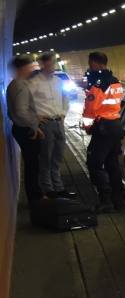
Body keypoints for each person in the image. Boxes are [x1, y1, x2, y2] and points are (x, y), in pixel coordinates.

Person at [82, 51, 125, 213]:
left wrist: (87, 126)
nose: (89, 66)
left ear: (97, 64)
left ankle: (105, 199)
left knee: (94, 163)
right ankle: (118, 198)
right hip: (115, 125)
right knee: (112, 163)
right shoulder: (116, 82)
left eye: (91, 63)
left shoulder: (99, 84)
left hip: (103, 127)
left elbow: (90, 109)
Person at [29, 51, 72, 198]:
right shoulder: (34, 83)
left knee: (58, 157)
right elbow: (27, 103)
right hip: (45, 124)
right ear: (42, 65)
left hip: (59, 122)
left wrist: (64, 113)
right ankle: (48, 189)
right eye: (50, 63)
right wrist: (35, 117)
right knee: (46, 158)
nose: (52, 66)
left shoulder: (58, 81)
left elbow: (66, 99)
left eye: (53, 63)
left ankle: (59, 188)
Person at [7, 55, 44, 202]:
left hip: (20, 128)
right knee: (33, 165)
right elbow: (21, 111)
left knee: (31, 164)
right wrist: (34, 124)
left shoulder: (13, 84)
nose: (32, 69)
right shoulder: (20, 85)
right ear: (22, 68)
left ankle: (35, 195)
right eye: (30, 66)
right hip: (26, 130)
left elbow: (12, 113)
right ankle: (35, 198)